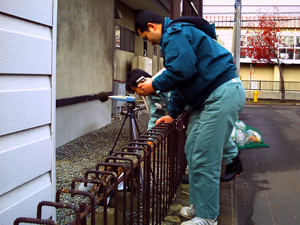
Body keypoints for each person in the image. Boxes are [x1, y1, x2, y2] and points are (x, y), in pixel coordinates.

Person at [135, 10, 246, 225]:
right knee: (193, 150)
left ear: (152, 26)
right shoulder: (175, 36)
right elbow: (180, 81)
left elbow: (182, 71)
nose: (149, 42)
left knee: (204, 155)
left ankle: (208, 217)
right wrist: (172, 114)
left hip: (220, 94)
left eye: (145, 37)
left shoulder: (174, 33)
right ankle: (200, 205)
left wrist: (154, 84)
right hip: (207, 99)